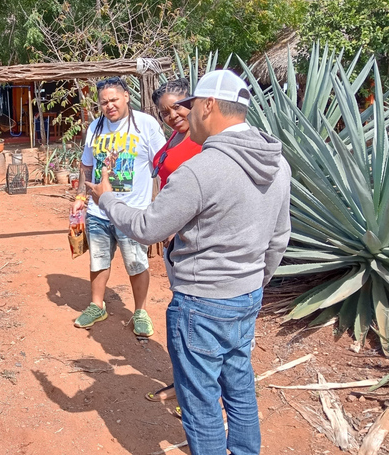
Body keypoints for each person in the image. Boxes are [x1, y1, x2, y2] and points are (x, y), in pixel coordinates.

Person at [87, 70, 291, 455]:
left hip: (201, 302)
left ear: (209, 105)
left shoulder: (200, 169)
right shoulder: (277, 163)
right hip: (246, 295)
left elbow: (147, 227)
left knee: (200, 403)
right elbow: (278, 238)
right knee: (239, 387)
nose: (186, 114)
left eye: (191, 105)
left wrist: (107, 198)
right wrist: (252, 283)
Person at [70, 77, 166, 335]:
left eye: (114, 99)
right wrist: (81, 197)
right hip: (98, 212)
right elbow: (87, 165)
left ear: (126, 96)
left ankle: (141, 311)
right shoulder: (96, 128)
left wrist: (163, 204)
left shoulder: (146, 125)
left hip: (132, 213)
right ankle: (96, 305)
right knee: (98, 260)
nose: (109, 105)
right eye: (104, 102)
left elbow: (162, 163)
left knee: (136, 263)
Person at [146, 77, 202, 404]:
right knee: (184, 315)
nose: (173, 115)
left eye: (177, 106)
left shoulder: (205, 140)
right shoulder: (177, 136)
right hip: (176, 241)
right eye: (165, 111)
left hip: (195, 243)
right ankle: (185, 384)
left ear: (193, 102)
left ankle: (198, 393)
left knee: (190, 319)